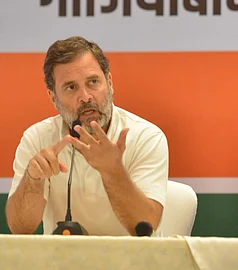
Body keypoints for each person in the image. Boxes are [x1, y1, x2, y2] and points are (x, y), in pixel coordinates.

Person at [6, 36, 168, 236]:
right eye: (71, 87)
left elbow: (145, 227)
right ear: (53, 97)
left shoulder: (145, 136)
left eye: (93, 82)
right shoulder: (37, 138)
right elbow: (19, 228)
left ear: (109, 82)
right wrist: (33, 180)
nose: (85, 96)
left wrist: (112, 170)